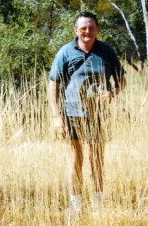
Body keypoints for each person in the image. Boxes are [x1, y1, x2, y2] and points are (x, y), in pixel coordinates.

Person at [48, 11, 125, 212]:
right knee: (76, 158)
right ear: (76, 30)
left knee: (97, 159)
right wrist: (56, 117)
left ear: (97, 29)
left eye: (91, 28)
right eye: (83, 28)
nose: (87, 32)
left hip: (98, 114)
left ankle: (98, 206)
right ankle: (76, 208)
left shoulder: (106, 51)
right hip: (72, 113)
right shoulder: (66, 52)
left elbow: (121, 80)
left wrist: (111, 93)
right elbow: (53, 84)